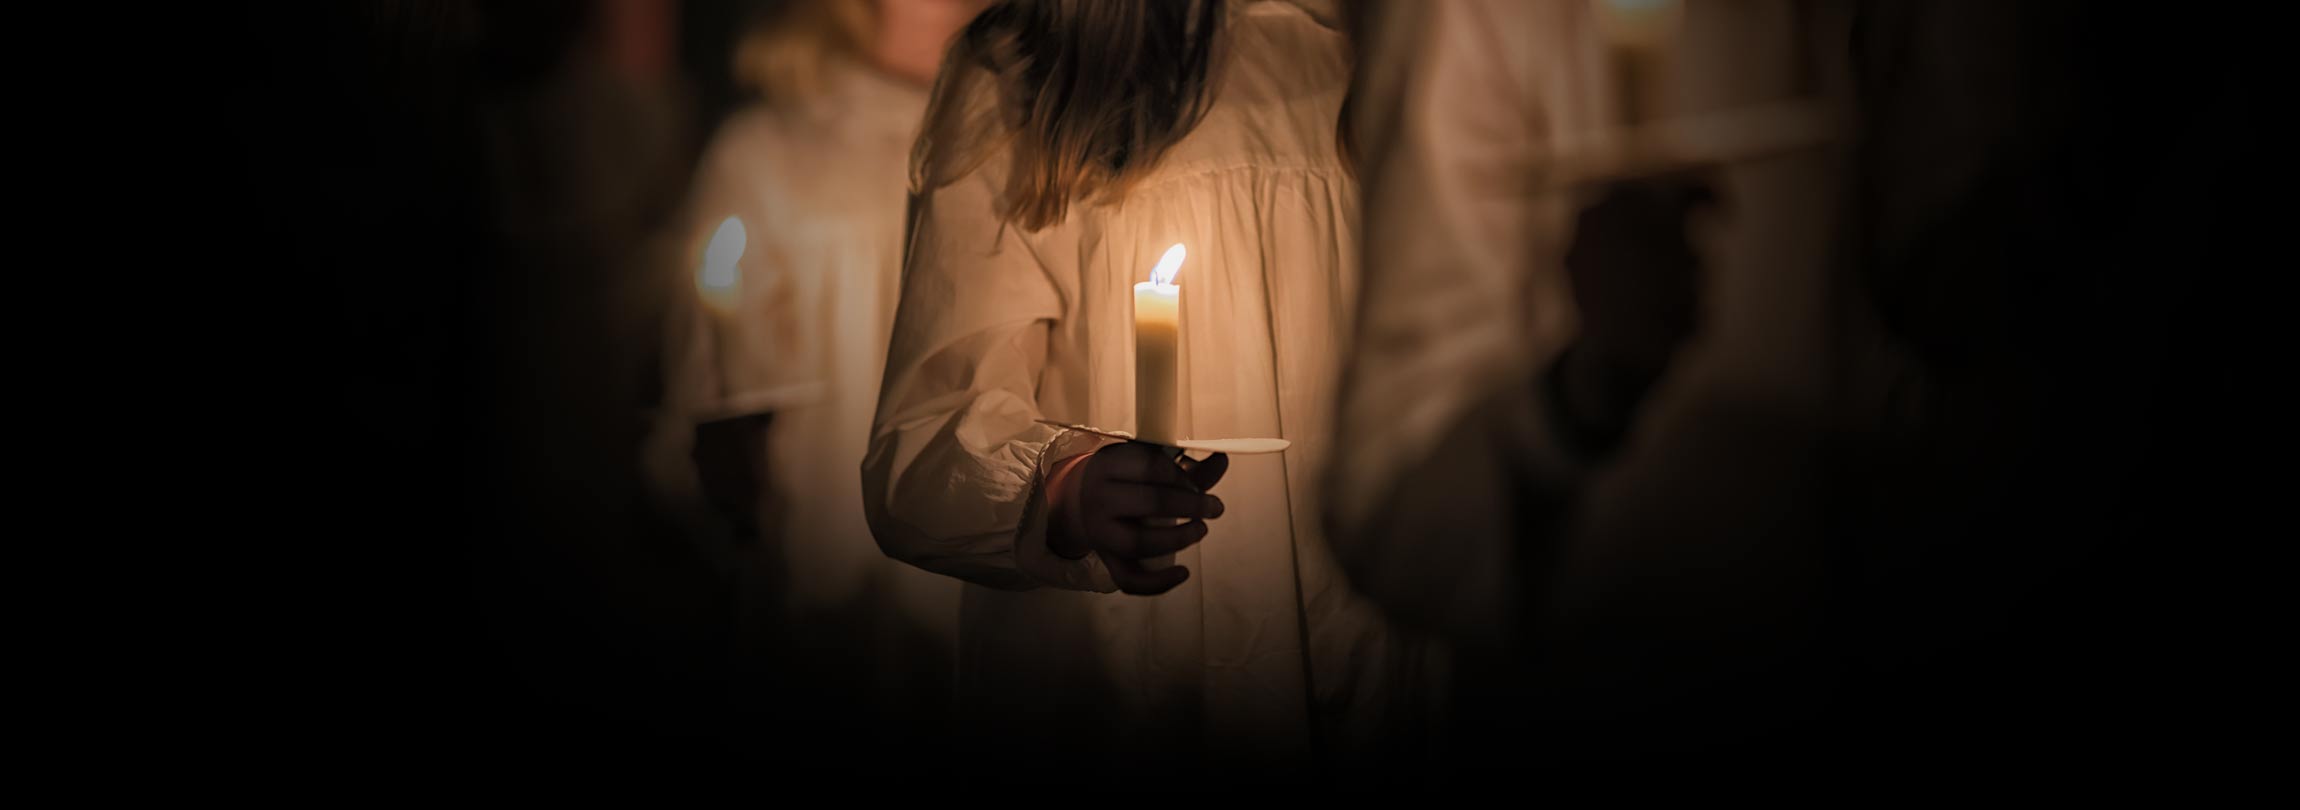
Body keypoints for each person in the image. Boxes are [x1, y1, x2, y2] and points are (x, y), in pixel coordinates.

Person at [863, 0, 1440, 780]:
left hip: (1374, 631)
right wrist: (1068, 490)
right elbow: (928, 433)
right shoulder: (1033, 74)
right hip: (1131, 670)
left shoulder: (1394, 47)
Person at [643, 0, 990, 756]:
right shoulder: (770, 149)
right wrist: (722, 444)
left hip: (1010, 572)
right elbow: (708, 387)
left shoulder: (1053, 137)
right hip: (835, 585)